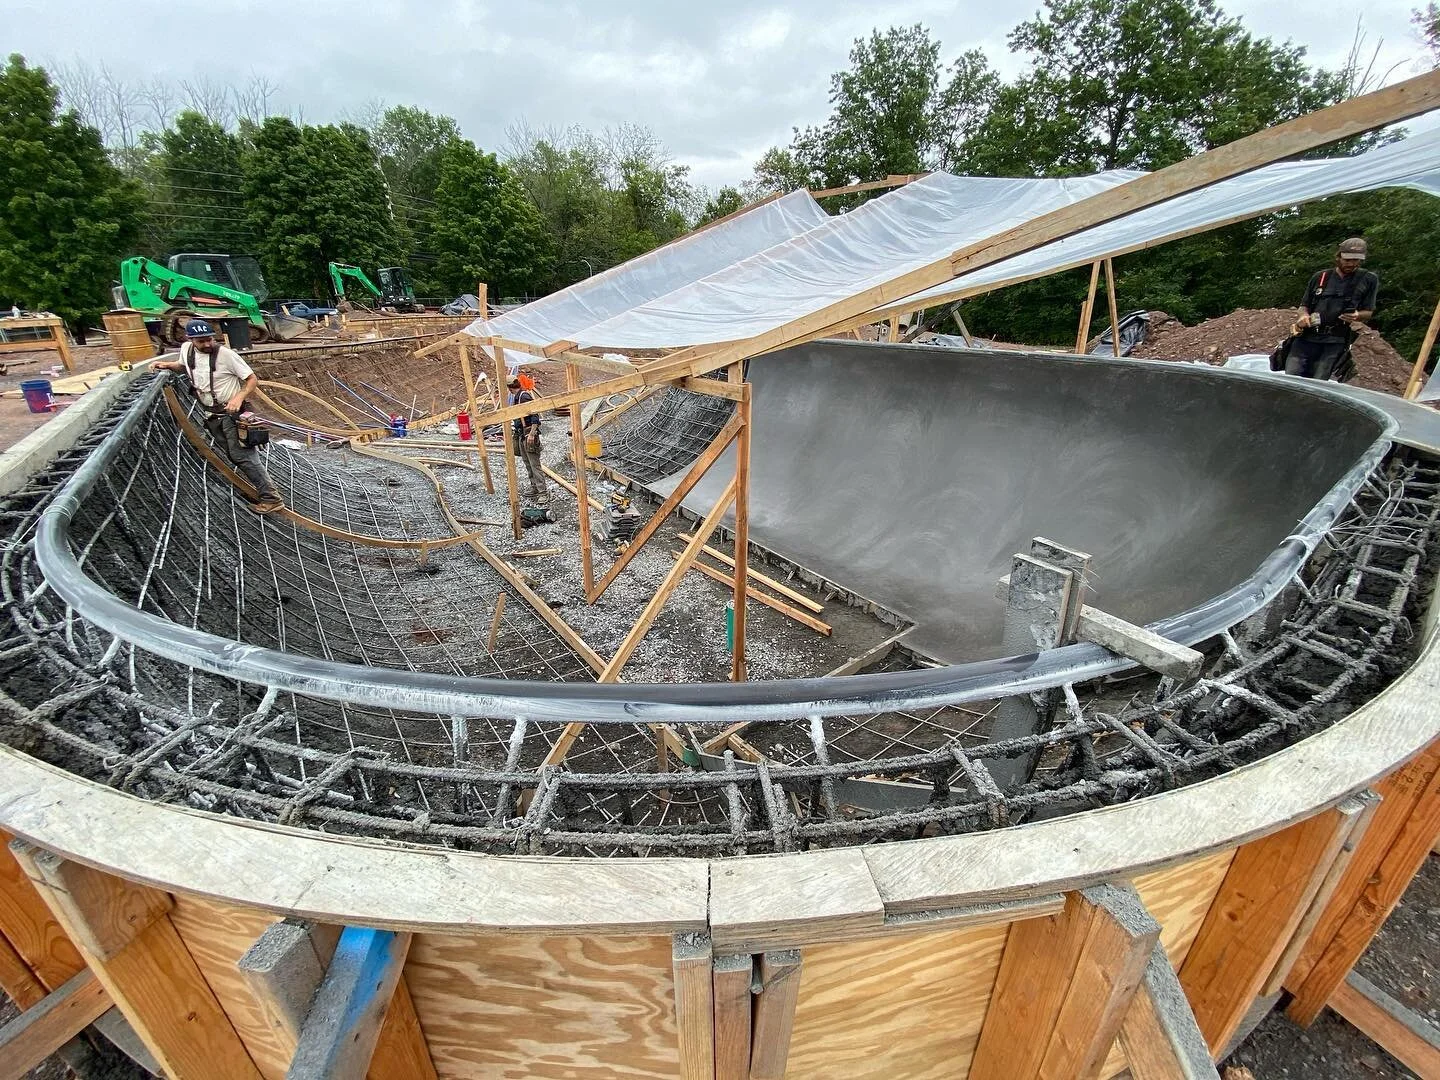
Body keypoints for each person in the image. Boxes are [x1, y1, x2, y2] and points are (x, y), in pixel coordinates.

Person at [154, 320, 284, 513]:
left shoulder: (226, 355)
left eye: (209, 340)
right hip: (213, 415)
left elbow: (251, 379)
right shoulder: (187, 350)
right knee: (234, 454)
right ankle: (256, 488)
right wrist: (166, 365)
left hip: (233, 414)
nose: (207, 344)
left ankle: (271, 498)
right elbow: (185, 367)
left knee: (243, 455)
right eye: (201, 342)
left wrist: (239, 398)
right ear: (190, 339)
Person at [1288, 237, 1378, 380]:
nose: (1351, 264)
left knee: (1319, 382)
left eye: (1356, 260)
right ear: (1338, 256)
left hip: (1335, 340)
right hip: (1307, 338)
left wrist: (1356, 315)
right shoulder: (1321, 277)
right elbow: (1304, 306)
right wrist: (1303, 317)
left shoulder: (1368, 279)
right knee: (1291, 378)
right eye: (1347, 260)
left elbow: (1368, 312)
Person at [507, 375, 548, 501]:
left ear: (509, 387)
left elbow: (534, 414)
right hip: (521, 434)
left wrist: (532, 433)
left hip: (528, 433)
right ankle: (534, 487)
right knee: (527, 463)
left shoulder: (523, 396)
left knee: (534, 464)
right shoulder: (518, 396)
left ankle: (543, 493)